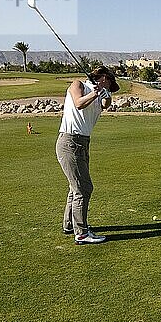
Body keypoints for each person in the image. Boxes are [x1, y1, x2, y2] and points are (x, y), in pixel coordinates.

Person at [55, 66, 119, 245]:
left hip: (83, 142)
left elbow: (106, 105)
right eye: (109, 82)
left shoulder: (101, 95)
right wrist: (95, 93)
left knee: (75, 186)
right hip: (69, 141)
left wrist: (105, 95)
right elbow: (78, 103)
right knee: (83, 188)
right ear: (104, 78)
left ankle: (69, 225)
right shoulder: (78, 85)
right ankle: (81, 233)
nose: (110, 85)